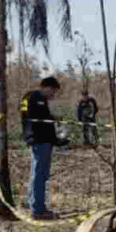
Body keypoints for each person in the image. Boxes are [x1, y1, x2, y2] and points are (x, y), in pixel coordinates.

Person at [19, 77, 68, 220]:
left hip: (44, 141)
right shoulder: (34, 97)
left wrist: (55, 138)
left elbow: (43, 119)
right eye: (53, 91)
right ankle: (37, 210)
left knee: (40, 174)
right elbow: (34, 118)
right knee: (39, 175)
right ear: (46, 87)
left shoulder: (38, 100)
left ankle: (34, 204)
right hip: (39, 141)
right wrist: (50, 120)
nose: (53, 95)